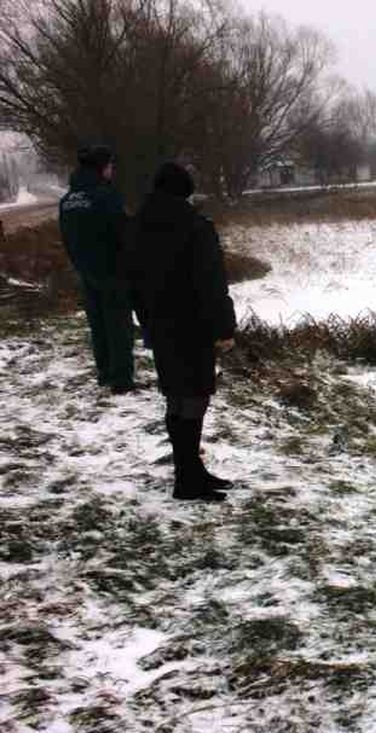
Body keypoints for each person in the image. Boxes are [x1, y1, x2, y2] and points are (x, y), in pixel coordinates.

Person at [125, 162, 237, 502]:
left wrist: (146, 320)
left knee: (176, 397)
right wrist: (224, 327)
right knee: (196, 398)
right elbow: (211, 283)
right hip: (194, 325)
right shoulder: (195, 226)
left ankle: (189, 471)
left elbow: (132, 281)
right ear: (185, 191)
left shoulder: (135, 226)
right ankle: (187, 480)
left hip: (160, 325)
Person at [59, 145, 135, 392]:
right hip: (112, 270)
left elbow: (67, 237)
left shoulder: (68, 200)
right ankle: (121, 380)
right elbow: (122, 232)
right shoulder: (105, 195)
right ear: (102, 168)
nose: (112, 171)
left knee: (98, 324)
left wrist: (79, 265)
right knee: (118, 326)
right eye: (110, 166)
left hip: (85, 271)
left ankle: (104, 373)